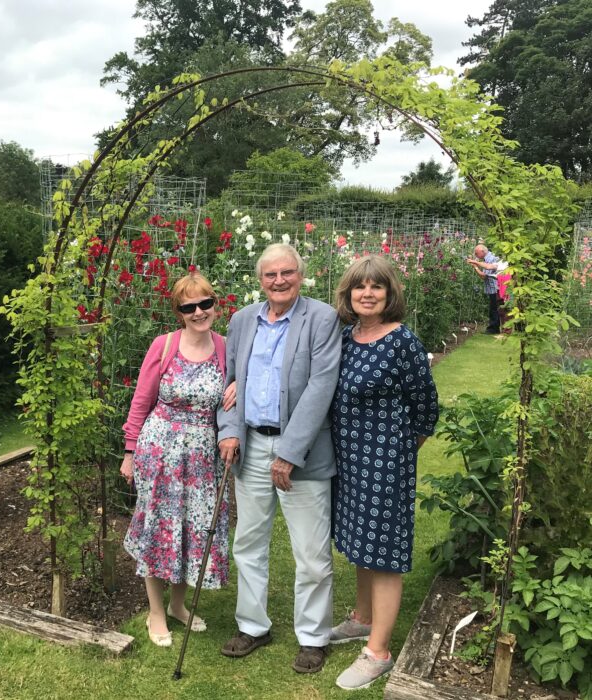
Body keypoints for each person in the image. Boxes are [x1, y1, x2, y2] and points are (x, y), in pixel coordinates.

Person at [217, 243, 341, 674]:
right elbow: (230, 385)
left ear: (300, 275)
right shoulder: (242, 320)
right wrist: (230, 432)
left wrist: (288, 453)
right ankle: (253, 626)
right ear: (260, 279)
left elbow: (321, 388)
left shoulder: (321, 318)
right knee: (248, 542)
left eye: (287, 273)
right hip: (250, 447)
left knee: (310, 551)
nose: (279, 281)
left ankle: (313, 637)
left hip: (301, 452)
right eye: (270, 275)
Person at [330, 255, 439, 690]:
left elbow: (426, 408)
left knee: (384, 550)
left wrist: (398, 452)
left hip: (385, 463)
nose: (368, 293)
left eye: (377, 287)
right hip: (349, 460)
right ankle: (362, 617)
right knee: (359, 541)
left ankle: (378, 652)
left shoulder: (401, 342)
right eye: (360, 286)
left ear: (390, 294)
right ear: (349, 293)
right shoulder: (347, 336)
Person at [120, 272, 234, 647]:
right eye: (189, 306)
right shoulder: (164, 345)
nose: (199, 311)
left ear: (215, 304)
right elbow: (141, 400)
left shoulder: (225, 348)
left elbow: (234, 393)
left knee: (194, 530)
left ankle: (178, 606)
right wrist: (130, 451)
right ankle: (156, 610)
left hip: (204, 457)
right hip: (161, 450)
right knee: (160, 527)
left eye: (205, 303)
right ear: (179, 311)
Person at [466, 244, 501, 334]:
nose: (476, 255)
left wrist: (475, 267)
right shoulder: (488, 258)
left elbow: (484, 276)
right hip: (494, 288)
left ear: (482, 251)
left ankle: (493, 329)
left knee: (494, 309)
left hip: (495, 288)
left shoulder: (490, 259)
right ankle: (495, 328)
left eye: (476, 253)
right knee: (495, 308)